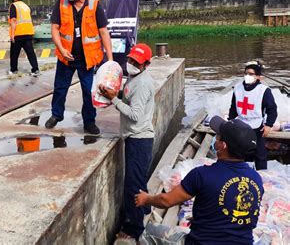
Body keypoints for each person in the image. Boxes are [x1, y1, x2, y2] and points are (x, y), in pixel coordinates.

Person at [135, 116, 264, 244]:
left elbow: (166, 200)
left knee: (149, 231)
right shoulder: (256, 179)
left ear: (223, 146)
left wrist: (146, 199)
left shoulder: (202, 174)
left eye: (218, 136)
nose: (216, 138)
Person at [45, 0, 113, 135]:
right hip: (66, 57)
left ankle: (89, 122)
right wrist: (61, 48)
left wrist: (110, 60)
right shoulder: (60, 4)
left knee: (88, 91)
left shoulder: (94, 6)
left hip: (88, 59)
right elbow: (54, 29)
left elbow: (104, 32)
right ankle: (56, 115)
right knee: (60, 88)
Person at [99, 43, 155, 241]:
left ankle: (134, 227)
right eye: (130, 60)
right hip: (134, 137)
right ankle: (145, 206)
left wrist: (114, 99)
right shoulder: (134, 77)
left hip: (139, 139)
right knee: (138, 178)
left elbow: (134, 115)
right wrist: (116, 94)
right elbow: (129, 99)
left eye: (135, 62)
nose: (130, 63)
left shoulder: (143, 84)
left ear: (146, 64)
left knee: (132, 185)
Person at [228, 61, 277, 170]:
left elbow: (272, 109)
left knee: (260, 154)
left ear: (258, 77)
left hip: (256, 125)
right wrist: (230, 121)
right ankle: (241, 174)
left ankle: (261, 177)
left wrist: (269, 125)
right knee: (240, 153)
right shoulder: (237, 88)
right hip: (241, 124)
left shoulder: (264, 91)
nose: (247, 76)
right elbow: (233, 108)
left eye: (251, 74)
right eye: (245, 73)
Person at [8, 0, 39, 76]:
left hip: (18, 33)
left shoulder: (14, 6)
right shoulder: (26, 6)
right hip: (28, 33)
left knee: (14, 54)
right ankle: (35, 69)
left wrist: (12, 34)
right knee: (30, 53)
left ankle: (14, 70)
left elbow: (13, 20)